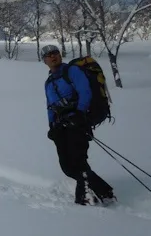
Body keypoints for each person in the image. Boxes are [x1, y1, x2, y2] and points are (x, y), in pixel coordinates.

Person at [42, 44, 116, 205]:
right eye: (49, 55)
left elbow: (85, 91)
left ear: (60, 55)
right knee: (67, 166)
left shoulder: (72, 71)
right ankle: (104, 191)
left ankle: (86, 198)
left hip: (78, 121)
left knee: (78, 159)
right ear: (44, 61)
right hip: (61, 125)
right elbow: (50, 105)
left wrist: (80, 113)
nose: (53, 56)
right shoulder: (48, 82)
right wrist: (51, 125)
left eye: (55, 53)